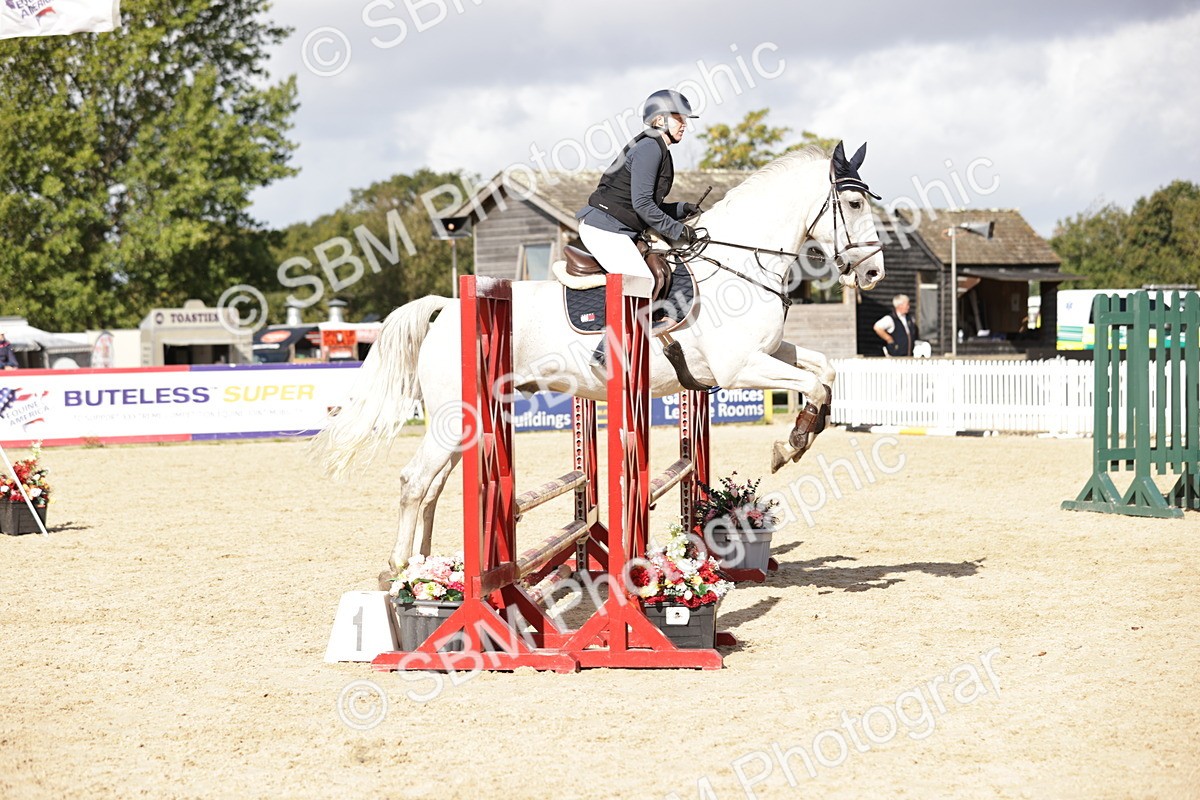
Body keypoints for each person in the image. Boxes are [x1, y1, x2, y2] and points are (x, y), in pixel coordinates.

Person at [576, 89, 702, 369]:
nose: (685, 124)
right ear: (659, 120)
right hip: (604, 228)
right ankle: (605, 352)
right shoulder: (649, 147)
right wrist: (677, 231)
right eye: (679, 118)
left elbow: (647, 206)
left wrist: (680, 209)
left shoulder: (659, 149)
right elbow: (644, 205)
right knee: (640, 279)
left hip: (620, 227)